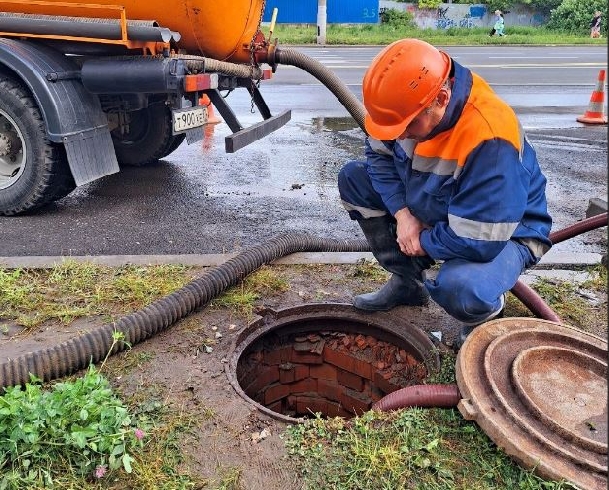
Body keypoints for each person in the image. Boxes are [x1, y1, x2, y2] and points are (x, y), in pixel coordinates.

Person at [338, 39, 552, 348]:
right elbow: (378, 158)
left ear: (441, 97)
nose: (400, 135)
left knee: (462, 287)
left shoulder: (490, 138)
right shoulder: (405, 108)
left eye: (408, 126)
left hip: (503, 231)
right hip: (441, 204)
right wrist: (403, 215)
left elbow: (480, 240)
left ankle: (482, 316)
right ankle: (407, 284)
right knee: (353, 179)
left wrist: (421, 240)